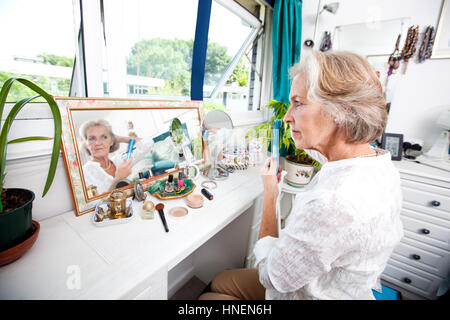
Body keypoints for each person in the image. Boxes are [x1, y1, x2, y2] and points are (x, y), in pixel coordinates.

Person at [198, 50, 404, 300]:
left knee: (208, 299)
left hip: (303, 292)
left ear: (341, 111)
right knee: (220, 279)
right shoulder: (376, 162)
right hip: (324, 281)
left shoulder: (335, 202)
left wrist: (271, 195)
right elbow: (321, 150)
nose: (286, 117)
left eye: (298, 103)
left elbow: (271, 277)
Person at [79, 119, 154, 194]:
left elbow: (148, 143)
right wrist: (118, 178)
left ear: (111, 141)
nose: (98, 143)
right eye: (92, 138)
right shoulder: (83, 173)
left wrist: (120, 138)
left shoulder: (119, 161)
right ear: (85, 144)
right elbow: (97, 204)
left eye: (104, 137)